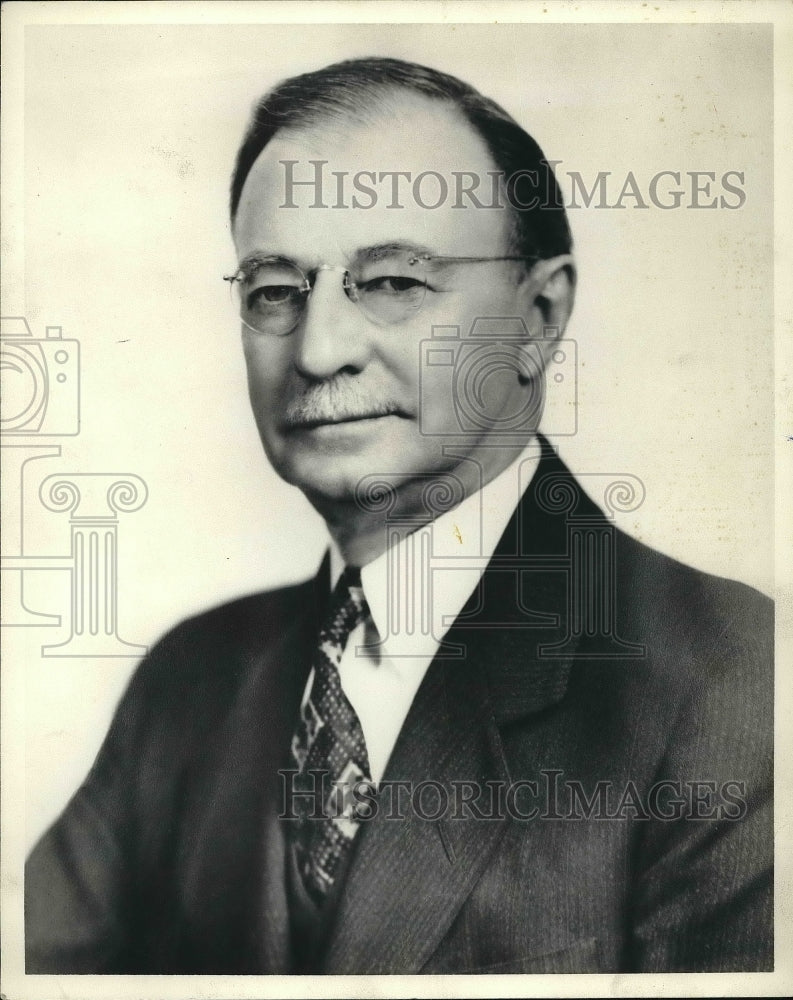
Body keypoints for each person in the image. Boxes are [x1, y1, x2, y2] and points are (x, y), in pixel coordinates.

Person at [25, 57, 773, 975]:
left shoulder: (734, 682)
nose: (319, 350)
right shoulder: (190, 681)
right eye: (273, 291)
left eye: (392, 283)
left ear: (537, 315)